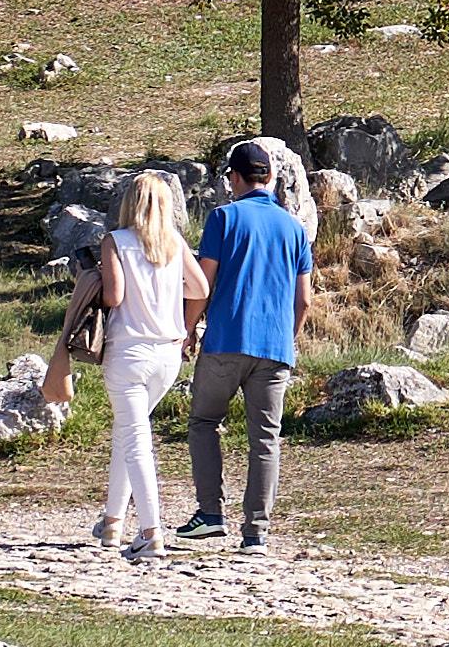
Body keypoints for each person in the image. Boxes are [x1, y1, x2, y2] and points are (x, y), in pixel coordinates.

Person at [184, 137, 316, 551]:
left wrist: (188, 327)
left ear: (234, 179)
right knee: (265, 438)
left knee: (205, 423)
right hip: (275, 347)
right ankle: (256, 530)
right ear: (273, 177)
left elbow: (203, 283)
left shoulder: (224, 218)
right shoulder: (294, 229)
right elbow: (305, 300)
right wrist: (287, 338)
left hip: (226, 339)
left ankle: (210, 514)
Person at [81, 169, 196, 563]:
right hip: (167, 353)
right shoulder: (174, 244)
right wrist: (178, 309)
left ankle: (150, 532)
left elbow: (113, 298)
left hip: (129, 351)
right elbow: (200, 289)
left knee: (136, 440)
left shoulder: (116, 241)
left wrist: (93, 275)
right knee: (129, 434)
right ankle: (112, 521)